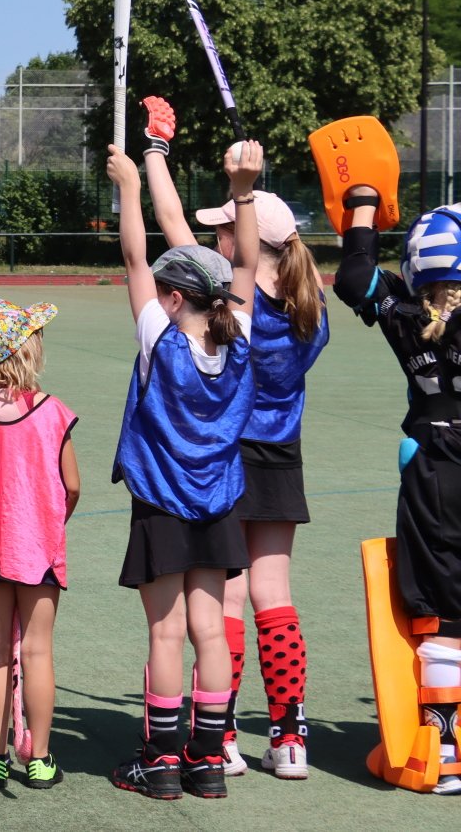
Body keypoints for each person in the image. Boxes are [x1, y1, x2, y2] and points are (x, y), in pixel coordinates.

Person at [139, 97, 328, 780]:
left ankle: (218, 737)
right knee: (276, 592)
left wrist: (154, 153)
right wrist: (244, 195)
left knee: (229, 603)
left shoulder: (235, 304)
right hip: (285, 453)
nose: (216, 234)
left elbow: (168, 224)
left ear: (246, 243)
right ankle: (289, 735)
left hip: (232, 455)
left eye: (224, 228)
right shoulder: (312, 307)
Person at [105, 139, 262, 800]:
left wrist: (130, 188)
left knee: (166, 632)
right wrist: (245, 192)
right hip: (218, 501)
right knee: (208, 631)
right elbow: (248, 258)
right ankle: (206, 760)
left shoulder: (159, 337)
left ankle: (162, 762)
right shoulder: (242, 332)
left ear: (171, 297)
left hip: (164, 504)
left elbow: (135, 254)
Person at [333, 183, 461, 794]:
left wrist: (362, 203)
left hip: (433, 464)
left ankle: (444, 747)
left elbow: (354, 273)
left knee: (441, 611)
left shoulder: (406, 315)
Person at [0, 298, 79, 789]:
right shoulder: (52, 413)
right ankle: (41, 759)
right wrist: (49, 521)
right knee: (39, 653)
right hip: (39, 550)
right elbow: (71, 485)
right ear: (25, 352)